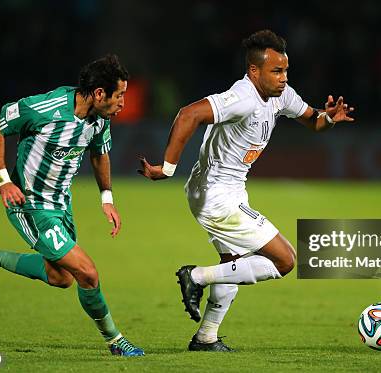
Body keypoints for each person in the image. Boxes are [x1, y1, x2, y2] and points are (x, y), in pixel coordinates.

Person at [139, 30, 355, 352]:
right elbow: (189, 114)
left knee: (232, 266)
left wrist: (330, 118)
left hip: (225, 191)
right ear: (254, 71)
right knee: (285, 260)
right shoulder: (242, 97)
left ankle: (206, 337)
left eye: (285, 71)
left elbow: (313, 121)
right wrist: (167, 167)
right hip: (218, 196)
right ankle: (195, 276)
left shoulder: (281, 95)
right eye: (276, 71)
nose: (283, 78)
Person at [0, 55, 144, 357]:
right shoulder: (45, 108)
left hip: (61, 206)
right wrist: (4, 181)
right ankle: (116, 341)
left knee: (62, 278)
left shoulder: (100, 120)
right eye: (119, 94)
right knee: (88, 273)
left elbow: (99, 154)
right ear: (99, 94)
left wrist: (107, 199)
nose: (123, 102)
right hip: (30, 206)